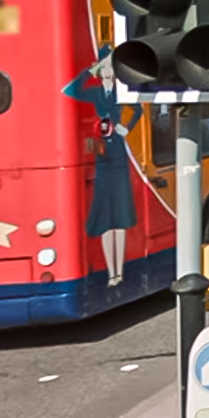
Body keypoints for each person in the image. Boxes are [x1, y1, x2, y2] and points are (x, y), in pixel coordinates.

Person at [63, 49, 138, 287]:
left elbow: (138, 109)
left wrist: (127, 127)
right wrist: (88, 70)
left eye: (110, 68)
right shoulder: (95, 93)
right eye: (103, 68)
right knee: (106, 219)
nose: (107, 73)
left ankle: (119, 272)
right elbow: (69, 90)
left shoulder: (121, 93)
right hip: (101, 154)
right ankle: (112, 273)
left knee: (121, 217)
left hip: (118, 152)